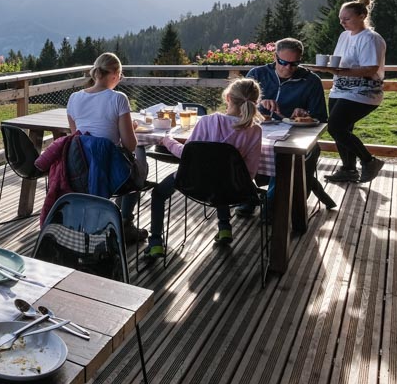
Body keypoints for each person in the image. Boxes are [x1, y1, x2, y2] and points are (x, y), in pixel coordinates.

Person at [145, 77, 264, 258]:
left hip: (194, 182)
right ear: (256, 102)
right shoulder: (255, 131)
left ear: (228, 98)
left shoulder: (208, 121)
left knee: (159, 193)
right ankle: (224, 228)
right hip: (232, 187)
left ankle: (155, 243)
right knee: (222, 177)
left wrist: (167, 141)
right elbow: (250, 171)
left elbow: (187, 155)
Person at [64, 52, 147, 243]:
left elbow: (79, 139)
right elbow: (130, 144)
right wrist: (130, 127)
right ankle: (125, 223)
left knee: (130, 164)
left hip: (81, 171)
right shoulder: (118, 98)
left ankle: (118, 222)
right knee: (141, 161)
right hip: (110, 172)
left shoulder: (74, 98)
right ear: (115, 74)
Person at [245, 37, 335, 210]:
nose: (288, 68)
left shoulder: (311, 81)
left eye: (294, 64)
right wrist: (257, 104)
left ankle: (271, 207)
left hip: (295, 135)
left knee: (287, 157)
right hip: (257, 131)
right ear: (275, 57)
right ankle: (247, 199)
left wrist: (305, 114)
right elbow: (238, 104)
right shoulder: (257, 74)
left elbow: (321, 118)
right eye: (283, 62)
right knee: (236, 149)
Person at [310, 0, 386, 184]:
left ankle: (369, 161)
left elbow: (370, 69)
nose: (342, 22)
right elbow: (341, 61)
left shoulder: (371, 38)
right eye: (340, 18)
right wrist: (329, 68)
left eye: (347, 18)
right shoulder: (344, 36)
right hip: (340, 88)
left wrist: (334, 70)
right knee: (343, 128)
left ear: (362, 16)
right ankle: (348, 169)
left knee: (336, 127)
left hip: (364, 91)